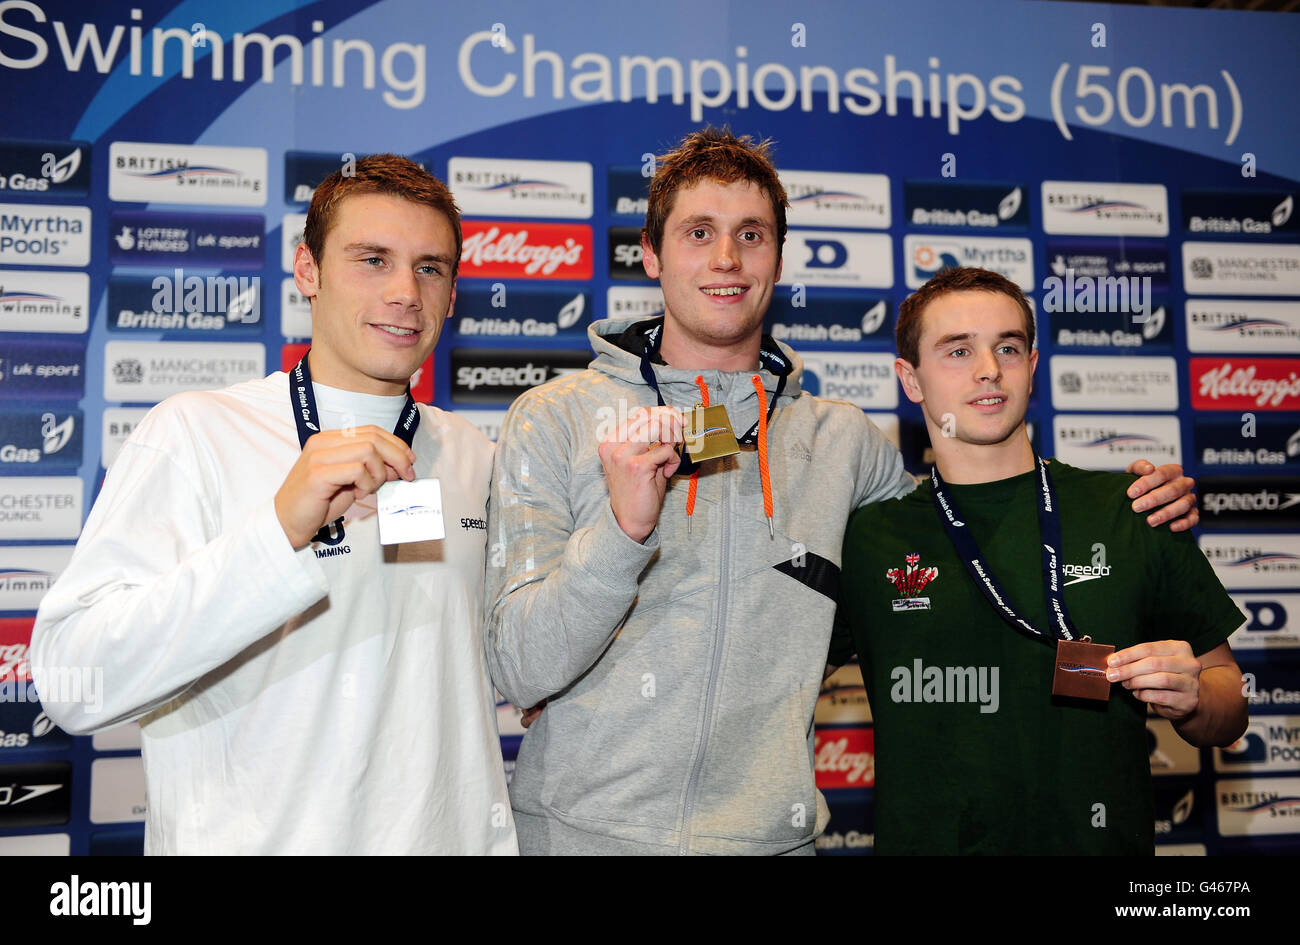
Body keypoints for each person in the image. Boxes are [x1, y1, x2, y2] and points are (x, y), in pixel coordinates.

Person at [483, 128, 1197, 855]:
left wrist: (1122, 503)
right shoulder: (555, 417)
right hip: (578, 839)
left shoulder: (842, 441)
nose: (727, 258)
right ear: (651, 253)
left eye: (751, 234)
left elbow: (964, 528)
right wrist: (621, 533)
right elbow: (519, 668)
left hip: (772, 842)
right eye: (699, 232)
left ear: (779, 258)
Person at [31, 154, 517, 855]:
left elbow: (514, 666)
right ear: (308, 270)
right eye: (373, 259)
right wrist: (277, 530)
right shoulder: (195, 432)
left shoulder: (474, 454)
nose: (405, 292)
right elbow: (72, 680)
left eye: (429, 267)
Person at [830, 266, 1246, 855]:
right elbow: (769, 682)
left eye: (1008, 347)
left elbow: (1229, 704)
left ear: (1032, 366)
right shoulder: (869, 538)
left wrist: (1197, 697)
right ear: (911, 379)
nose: (988, 369)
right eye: (957, 350)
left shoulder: (1130, 509)